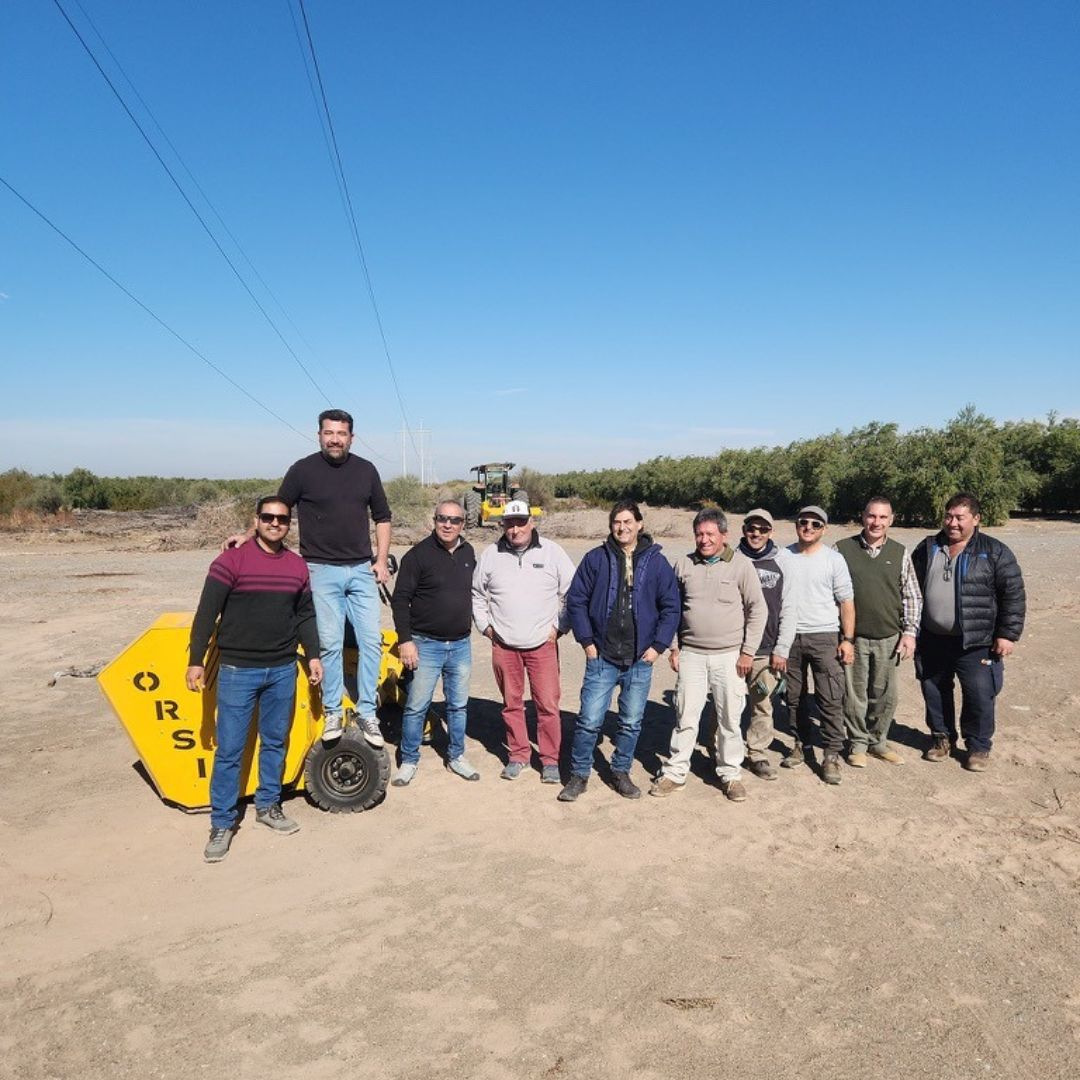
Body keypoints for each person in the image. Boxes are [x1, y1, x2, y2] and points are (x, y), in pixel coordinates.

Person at [188, 496, 323, 863]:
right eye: (268, 517)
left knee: (275, 742)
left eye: (282, 519)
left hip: (282, 669)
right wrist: (195, 661)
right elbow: (206, 615)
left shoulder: (297, 567)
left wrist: (312, 655)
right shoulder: (230, 561)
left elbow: (305, 616)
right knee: (230, 750)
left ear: (288, 524)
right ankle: (222, 823)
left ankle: (268, 806)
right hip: (237, 671)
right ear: (256, 520)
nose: (275, 523)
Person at [277, 409, 392, 748]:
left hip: (360, 569)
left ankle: (367, 712)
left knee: (371, 641)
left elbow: (382, 517)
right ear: (319, 435)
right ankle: (332, 711)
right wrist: (246, 536)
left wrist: (381, 560)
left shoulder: (366, 470)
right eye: (329, 433)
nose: (335, 439)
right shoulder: (302, 470)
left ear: (351, 438)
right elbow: (277, 510)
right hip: (320, 570)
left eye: (341, 433)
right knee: (329, 643)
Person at [558, 502, 680, 802]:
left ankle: (620, 771)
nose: (622, 527)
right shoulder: (595, 559)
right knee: (588, 719)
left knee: (630, 721)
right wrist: (587, 641)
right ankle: (579, 774)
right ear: (611, 525)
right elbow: (576, 600)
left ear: (640, 524)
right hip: (601, 656)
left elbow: (671, 607)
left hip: (640, 659)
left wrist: (658, 647)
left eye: (628, 521)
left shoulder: (657, 562)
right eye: (617, 522)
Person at [649, 508, 766, 802]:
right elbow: (671, 610)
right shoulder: (684, 565)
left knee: (729, 718)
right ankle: (675, 773)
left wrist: (748, 652)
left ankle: (730, 774)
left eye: (710, 534)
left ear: (724, 536)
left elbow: (757, 610)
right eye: (699, 534)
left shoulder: (741, 565)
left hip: (730, 657)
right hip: (691, 655)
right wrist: (675, 648)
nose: (704, 540)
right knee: (686, 715)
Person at [911, 492, 1025, 772]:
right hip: (932, 638)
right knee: (934, 690)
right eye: (949, 516)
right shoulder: (927, 548)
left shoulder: (995, 551)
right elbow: (909, 589)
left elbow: (1013, 595)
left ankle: (977, 747)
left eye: (960, 517)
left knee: (979, 693)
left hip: (977, 641)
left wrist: (1007, 634)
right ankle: (941, 738)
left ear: (976, 519)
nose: (953, 523)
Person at [472, 499, 576, 783]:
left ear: (532, 522)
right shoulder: (491, 555)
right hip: (504, 646)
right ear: (502, 524)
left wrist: (559, 627)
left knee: (547, 705)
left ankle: (550, 760)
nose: (515, 529)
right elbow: (477, 595)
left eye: (521, 522)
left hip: (543, 645)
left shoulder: (553, 552)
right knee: (511, 704)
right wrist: (486, 628)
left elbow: (572, 593)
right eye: (509, 523)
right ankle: (518, 755)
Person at [390, 499, 478, 786]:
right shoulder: (416, 556)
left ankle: (456, 756)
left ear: (463, 524)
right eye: (443, 518)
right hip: (425, 644)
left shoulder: (469, 552)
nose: (448, 524)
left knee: (458, 706)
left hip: (461, 644)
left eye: (454, 520)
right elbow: (400, 600)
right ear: (434, 520)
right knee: (417, 705)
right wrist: (406, 641)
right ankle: (409, 760)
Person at [835, 496, 922, 767]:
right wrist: (841, 637)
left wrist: (909, 633)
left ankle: (878, 741)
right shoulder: (842, 549)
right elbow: (832, 595)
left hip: (889, 636)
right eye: (872, 516)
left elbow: (911, 596)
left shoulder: (899, 552)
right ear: (863, 516)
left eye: (883, 517)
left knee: (884, 693)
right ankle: (858, 742)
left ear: (891, 520)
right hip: (854, 637)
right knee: (854, 693)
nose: (877, 522)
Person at [780, 505, 855, 785]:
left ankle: (832, 753)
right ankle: (801, 744)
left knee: (830, 697)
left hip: (825, 636)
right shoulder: (783, 556)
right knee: (794, 697)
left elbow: (846, 601)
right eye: (803, 522)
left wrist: (847, 640)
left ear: (824, 528)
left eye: (815, 524)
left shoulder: (834, 560)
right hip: (790, 637)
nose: (808, 527)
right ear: (796, 524)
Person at [736, 509, 796, 780]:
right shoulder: (731, 559)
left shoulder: (782, 562)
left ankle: (757, 753)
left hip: (766, 649)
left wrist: (782, 649)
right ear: (744, 529)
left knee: (762, 704)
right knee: (726, 703)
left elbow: (789, 609)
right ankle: (720, 751)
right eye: (752, 528)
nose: (756, 534)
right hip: (732, 648)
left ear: (771, 532)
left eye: (762, 529)